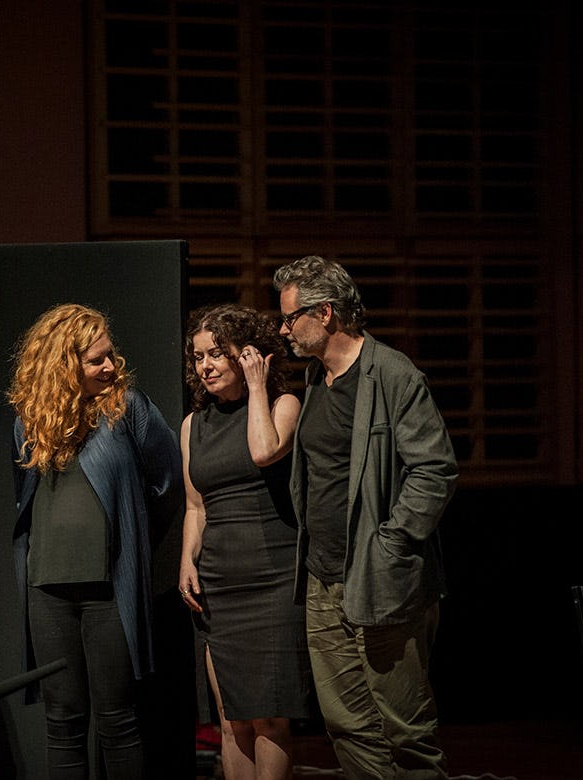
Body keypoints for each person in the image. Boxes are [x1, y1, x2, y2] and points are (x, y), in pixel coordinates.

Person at [272, 256, 458, 779]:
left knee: (405, 731)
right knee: (347, 726)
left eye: (291, 318)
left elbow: (435, 470)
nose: (284, 329)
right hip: (323, 581)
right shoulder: (314, 379)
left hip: (382, 580)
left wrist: (391, 544)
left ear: (325, 313)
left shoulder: (392, 374)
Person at [7, 303, 182, 779]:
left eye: (110, 355)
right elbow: (25, 501)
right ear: (64, 365)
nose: (110, 366)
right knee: (61, 721)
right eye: (95, 359)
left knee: (117, 720)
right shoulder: (29, 421)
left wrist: (134, 544)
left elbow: (168, 485)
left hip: (109, 590)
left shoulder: (128, 410)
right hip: (47, 589)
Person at [178, 304, 312, 780]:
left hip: (273, 579)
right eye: (198, 357)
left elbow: (262, 450)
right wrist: (186, 562)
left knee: (270, 717)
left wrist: (258, 386)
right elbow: (196, 507)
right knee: (232, 719)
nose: (206, 366)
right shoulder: (194, 425)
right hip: (220, 582)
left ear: (250, 355)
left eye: (218, 354)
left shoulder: (284, 405)